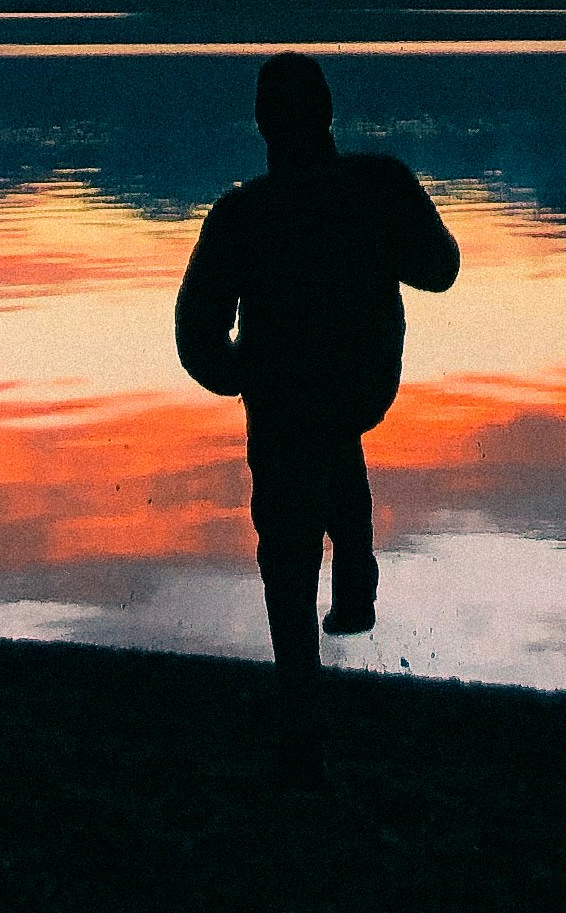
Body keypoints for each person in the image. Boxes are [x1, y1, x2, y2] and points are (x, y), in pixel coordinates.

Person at [176, 50, 460, 766]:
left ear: (263, 123)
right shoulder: (380, 183)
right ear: (329, 113)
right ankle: (357, 571)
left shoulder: (244, 214)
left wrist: (234, 373)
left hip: (287, 394)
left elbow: (196, 329)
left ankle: (301, 699)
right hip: (363, 382)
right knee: (330, 434)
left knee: (286, 538)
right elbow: (441, 268)